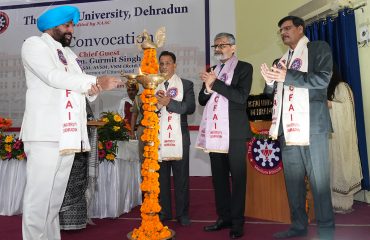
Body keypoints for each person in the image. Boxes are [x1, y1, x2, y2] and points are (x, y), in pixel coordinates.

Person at [20, 5, 120, 240]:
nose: (71, 30)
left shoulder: (68, 55)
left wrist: (95, 87)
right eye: (67, 25)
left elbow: (82, 88)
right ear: (51, 26)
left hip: (68, 134)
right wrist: (94, 80)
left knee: (54, 199)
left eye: (73, 25)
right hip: (45, 133)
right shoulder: (34, 45)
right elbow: (53, 77)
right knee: (39, 197)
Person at [261, 16, 335, 239]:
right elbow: (272, 95)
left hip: (312, 126)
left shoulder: (318, 48)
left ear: (300, 29)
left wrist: (287, 75)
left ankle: (326, 231)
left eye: (287, 28)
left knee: (319, 182)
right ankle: (298, 226)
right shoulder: (281, 60)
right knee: (293, 183)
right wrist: (270, 82)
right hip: (288, 128)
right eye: (280, 30)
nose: (283, 32)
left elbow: (322, 79)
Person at [197, 32, 253, 239]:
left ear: (233, 47)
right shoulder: (213, 70)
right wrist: (207, 88)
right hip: (214, 133)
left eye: (223, 45)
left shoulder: (245, 68)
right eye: (216, 46)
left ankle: (238, 223)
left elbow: (240, 97)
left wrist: (216, 83)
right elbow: (202, 101)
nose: (219, 49)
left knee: (238, 179)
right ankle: (224, 218)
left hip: (235, 134)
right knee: (219, 180)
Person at [155, 51, 195, 226]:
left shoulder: (186, 84)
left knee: (181, 179)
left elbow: (190, 107)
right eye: (161, 63)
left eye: (168, 63)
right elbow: (144, 111)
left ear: (174, 65)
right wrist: (153, 106)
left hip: (180, 138)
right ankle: (163, 212)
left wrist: (169, 103)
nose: (164, 66)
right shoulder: (152, 85)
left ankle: (182, 214)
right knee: (161, 179)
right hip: (158, 138)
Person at [327, 66, 362, 213]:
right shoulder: (324, 88)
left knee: (341, 165)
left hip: (341, 137)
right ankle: (329, 202)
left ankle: (343, 204)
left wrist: (328, 104)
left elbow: (347, 109)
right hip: (328, 137)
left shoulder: (342, 86)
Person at [130, 87, 145, 161]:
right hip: (142, 128)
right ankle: (144, 172)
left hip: (157, 129)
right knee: (142, 156)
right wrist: (132, 132)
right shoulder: (139, 98)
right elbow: (134, 115)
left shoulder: (159, 95)